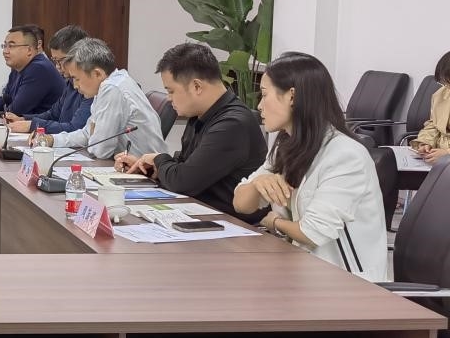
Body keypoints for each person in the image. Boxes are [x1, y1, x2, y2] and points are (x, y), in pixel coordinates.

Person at [233, 52, 388, 281]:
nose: (259, 105)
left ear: (292, 96)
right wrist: (257, 185)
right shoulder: (287, 144)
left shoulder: (346, 155)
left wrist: (272, 221)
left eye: (265, 95)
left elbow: (311, 232)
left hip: (345, 283)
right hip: (300, 270)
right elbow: (240, 204)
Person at [114, 43, 266, 223]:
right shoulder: (200, 114)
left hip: (233, 226)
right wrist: (149, 168)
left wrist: (160, 160)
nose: (169, 98)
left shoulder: (232, 124)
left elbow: (183, 182)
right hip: (201, 214)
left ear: (197, 86)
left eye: (171, 91)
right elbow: (184, 166)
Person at [36, 38, 168, 159]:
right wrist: (53, 139)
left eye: (76, 78)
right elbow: (86, 134)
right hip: (128, 166)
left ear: (97, 73)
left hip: (145, 172)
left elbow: (100, 150)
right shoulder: (109, 84)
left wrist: (93, 135)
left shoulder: (113, 89)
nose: (75, 86)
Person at [7, 25, 93, 134]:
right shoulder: (70, 82)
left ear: (78, 57)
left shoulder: (91, 87)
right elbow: (53, 114)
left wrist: (33, 125)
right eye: (55, 60)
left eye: (60, 61)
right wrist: (23, 119)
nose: (57, 66)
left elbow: (75, 128)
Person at [0, 24, 64, 116]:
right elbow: (6, 100)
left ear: (29, 50)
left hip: (42, 124)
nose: (5, 51)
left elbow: (16, 110)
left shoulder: (39, 69)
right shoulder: (18, 68)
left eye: (11, 46)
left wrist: (5, 110)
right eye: (4, 46)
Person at [411, 51, 450, 164]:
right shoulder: (441, 94)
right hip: (437, 156)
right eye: (446, 83)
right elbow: (433, 125)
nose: (447, 87)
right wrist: (425, 143)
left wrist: (447, 153)